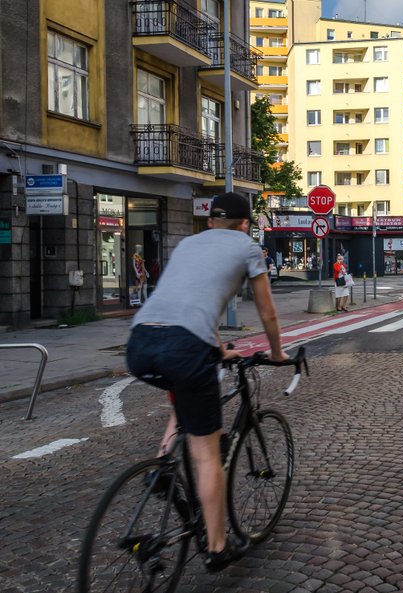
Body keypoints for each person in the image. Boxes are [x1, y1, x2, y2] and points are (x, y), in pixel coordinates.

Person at [125, 192, 286, 574]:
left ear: (211, 221)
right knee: (205, 454)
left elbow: (186, 300)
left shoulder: (187, 244)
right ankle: (216, 546)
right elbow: (267, 311)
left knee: (181, 396)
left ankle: (162, 467)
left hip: (141, 341)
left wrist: (219, 348)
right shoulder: (248, 248)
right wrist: (278, 354)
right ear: (246, 224)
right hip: (184, 345)